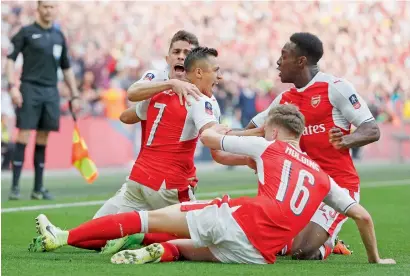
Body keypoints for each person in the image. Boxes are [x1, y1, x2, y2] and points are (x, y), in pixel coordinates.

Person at [34, 105, 395, 265]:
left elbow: (210, 140)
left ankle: (62, 237)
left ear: (272, 129)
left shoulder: (265, 144)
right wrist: (376, 259)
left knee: (148, 219)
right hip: (258, 255)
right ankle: (156, 253)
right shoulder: (321, 175)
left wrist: (211, 120)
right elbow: (363, 216)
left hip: (241, 219)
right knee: (187, 245)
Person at [245, 32, 380, 259]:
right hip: (301, 187)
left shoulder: (335, 87)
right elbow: (254, 128)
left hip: (337, 185)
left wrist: (345, 140)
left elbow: (372, 129)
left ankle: (329, 242)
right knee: (272, 245)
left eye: (284, 56)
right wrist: (224, 137)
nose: (278, 62)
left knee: (302, 252)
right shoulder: (284, 99)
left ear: (301, 61)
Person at [6, 1, 80, 200]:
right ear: (38, 8)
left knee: (43, 137)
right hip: (29, 89)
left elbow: (66, 68)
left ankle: (38, 189)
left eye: (52, 7)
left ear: (56, 9)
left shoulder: (59, 36)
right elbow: (10, 59)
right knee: (23, 135)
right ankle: (14, 188)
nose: (49, 10)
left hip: (51, 92)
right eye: (45, 6)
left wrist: (74, 94)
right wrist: (12, 86)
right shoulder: (26, 32)